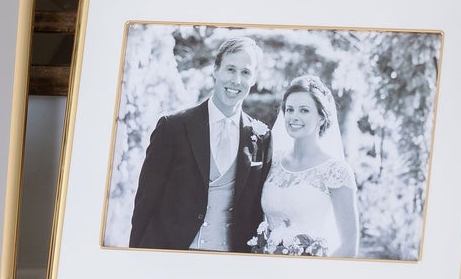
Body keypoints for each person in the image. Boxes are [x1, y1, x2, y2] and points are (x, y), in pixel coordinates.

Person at [126, 36, 271, 251]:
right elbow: (145, 202)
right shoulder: (173, 127)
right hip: (170, 255)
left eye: (245, 72)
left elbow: (256, 213)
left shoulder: (261, 137)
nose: (237, 80)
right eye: (230, 69)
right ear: (215, 70)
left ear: (254, 78)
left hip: (228, 265)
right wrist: (134, 257)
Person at [256, 74, 360, 257]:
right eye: (290, 110)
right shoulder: (272, 162)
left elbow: (349, 246)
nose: (294, 117)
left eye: (304, 110)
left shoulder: (336, 171)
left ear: (321, 117)